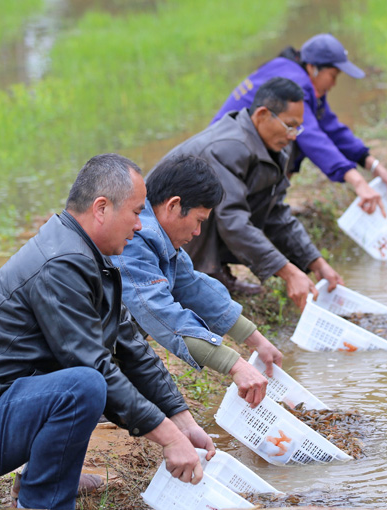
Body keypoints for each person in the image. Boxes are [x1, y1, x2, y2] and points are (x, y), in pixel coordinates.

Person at [0, 154, 213, 510]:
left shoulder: (89, 256)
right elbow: (93, 368)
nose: (140, 226)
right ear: (101, 208)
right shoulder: (61, 263)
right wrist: (169, 439)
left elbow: (131, 346)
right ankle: (42, 501)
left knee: (90, 381)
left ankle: (51, 473)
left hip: (0, 411)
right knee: (85, 384)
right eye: (136, 212)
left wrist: (180, 419)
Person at [114, 154, 283, 407]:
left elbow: (192, 287)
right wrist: (234, 364)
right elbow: (160, 312)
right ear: (173, 205)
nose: (197, 232)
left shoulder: (158, 236)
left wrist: (257, 341)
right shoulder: (135, 237)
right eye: (198, 221)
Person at [161, 77, 342, 310]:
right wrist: (288, 273)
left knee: (252, 205)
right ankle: (200, 274)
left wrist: (316, 262)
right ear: (262, 114)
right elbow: (233, 220)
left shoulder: (273, 149)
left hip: (191, 230)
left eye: (298, 127)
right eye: (289, 125)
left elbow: (276, 213)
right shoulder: (228, 147)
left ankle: (213, 272)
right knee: (214, 208)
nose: (293, 135)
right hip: (161, 236)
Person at [213, 33, 387, 215]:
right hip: (225, 155)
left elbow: (330, 126)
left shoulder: (301, 78)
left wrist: (373, 165)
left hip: (240, 149)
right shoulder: (295, 82)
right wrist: (357, 181)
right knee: (292, 134)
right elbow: (312, 137)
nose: (334, 83)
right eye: (333, 75)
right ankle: (264, 208)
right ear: (313, 67)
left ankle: (269, 208)